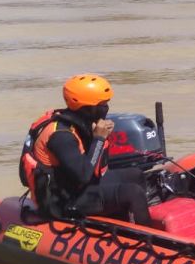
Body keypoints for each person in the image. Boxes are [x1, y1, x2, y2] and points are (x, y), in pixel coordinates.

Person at [20, 74, 151, 225]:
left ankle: (128, 219)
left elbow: (95, 168)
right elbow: (84, 176)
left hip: (72, 186)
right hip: (61, 201)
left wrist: (100, 138)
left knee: (136, 175)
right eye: (102, 105)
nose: (106, 108)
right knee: (133, 192)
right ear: (87, 108)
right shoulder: (61, 136)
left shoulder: (79, 121)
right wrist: (99, 139)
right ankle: (148, 240)